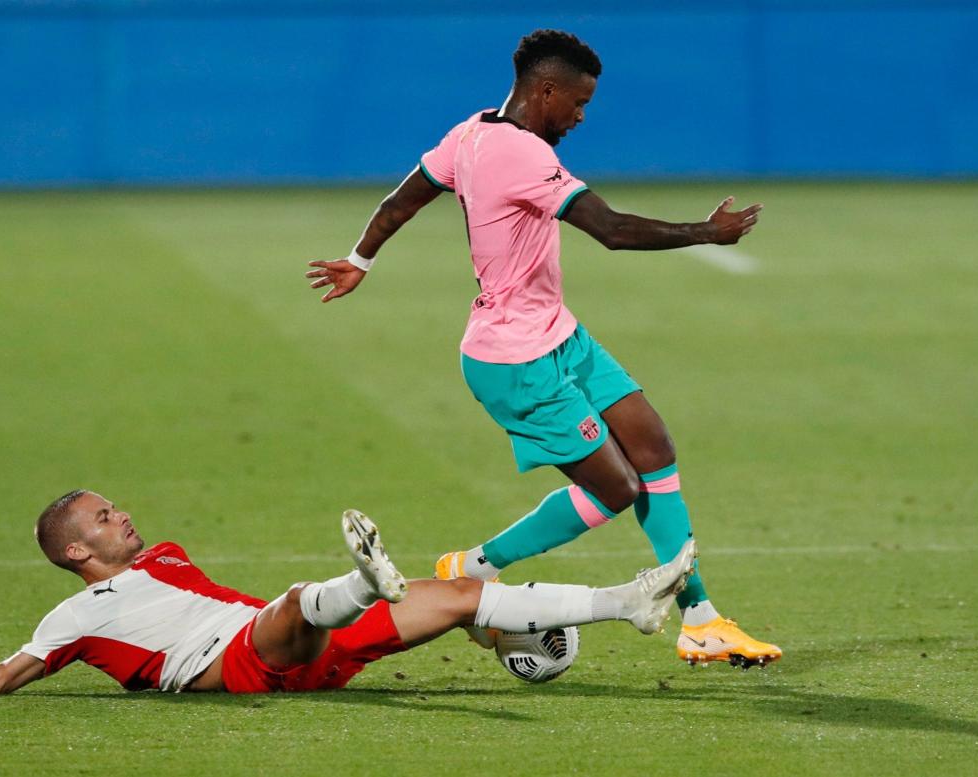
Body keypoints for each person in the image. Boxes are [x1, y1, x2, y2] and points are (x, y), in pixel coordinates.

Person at [305, 29, 779, 668]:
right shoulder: (518, 154)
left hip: (559, 336)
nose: (581, 117)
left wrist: (361, 258)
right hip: (515, 361)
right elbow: (610, 230)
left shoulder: (470, 131)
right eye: (578, 103)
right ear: (546, 90)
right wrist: (707, 232)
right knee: (617, 488)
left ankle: (701, 622)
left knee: (654, 448)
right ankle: (474, 565)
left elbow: (403, 199)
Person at [0, 490, 698, 699]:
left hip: (303, 648)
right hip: (237, 666)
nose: (123, 514)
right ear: (76, 551)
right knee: (287, 605)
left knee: (455, 592)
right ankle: (358, 580)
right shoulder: (71, 617)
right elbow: (2, 678)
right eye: (105, 517)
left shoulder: (166, 556)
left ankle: (626, 602)